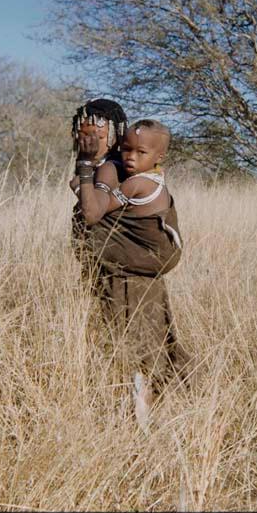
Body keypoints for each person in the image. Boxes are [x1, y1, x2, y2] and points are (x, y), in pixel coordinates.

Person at [70, 99, 189, 429]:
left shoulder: (136, 180)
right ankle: (146, 417)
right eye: (127, 150)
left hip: (131, 278)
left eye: (97, 130)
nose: (130, 157)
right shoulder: (120, 170)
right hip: (131, 273)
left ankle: (142, 424)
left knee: (136, 348)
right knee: (140, 342)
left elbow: (92, 211)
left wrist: (84, 165)